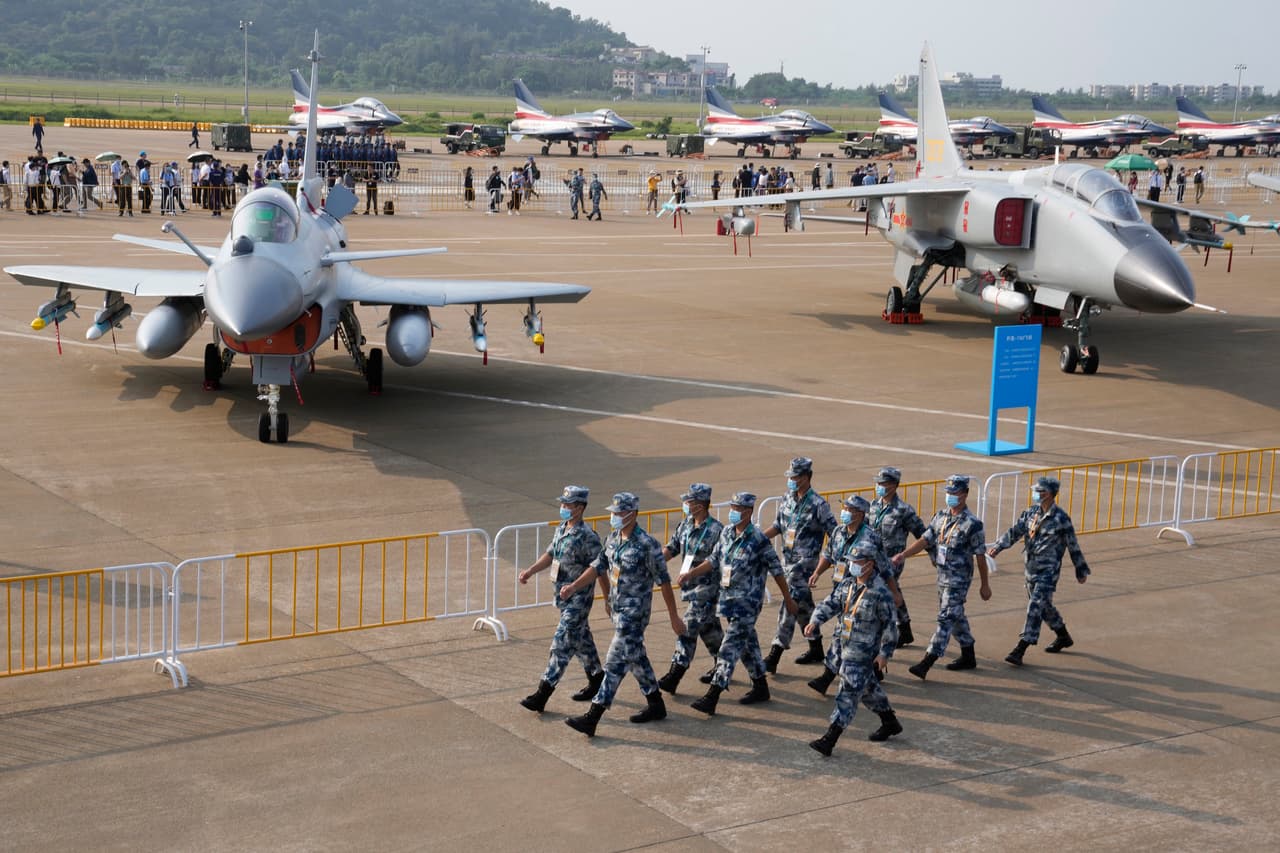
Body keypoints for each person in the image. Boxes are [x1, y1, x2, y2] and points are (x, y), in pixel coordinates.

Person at [563, 493, 686, 737]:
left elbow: (664, 582)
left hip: (635, 615)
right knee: (636, 658)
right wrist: (574, 586)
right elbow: (597, 567)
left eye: (619, 513)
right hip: (618, 611)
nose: (614, 517)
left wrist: (673, 617)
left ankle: (593, 716)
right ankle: (655, 704)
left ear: (632, 514)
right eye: (614, 512)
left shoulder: (647, 545)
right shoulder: (613, 539)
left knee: (614, 663)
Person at [684, 492, 797, 716]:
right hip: (728, 600)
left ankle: (713, 695)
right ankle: (760, 686)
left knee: (729, 647)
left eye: (737, 509)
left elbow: (777, 570)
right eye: (732, 507)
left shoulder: (758, 540)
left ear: (748, 512)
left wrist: (788, 598)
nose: (733, 511)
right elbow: (714, 560)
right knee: (747, 644)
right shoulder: (726, 533)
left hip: (748, 603)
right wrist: (691, 574)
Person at [804, 541, 902, 755]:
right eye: (851, 562)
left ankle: (829, 739)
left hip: (863, 654)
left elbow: (890, 626)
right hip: (844, 648)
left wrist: (885, 653)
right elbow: (830, 604)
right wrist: (815, 621)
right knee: (867, 689)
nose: (853, 566)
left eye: (857, 562)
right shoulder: (847, 585)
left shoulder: (880, 593)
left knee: (847, 693)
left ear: (869, 564)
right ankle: (890, 721)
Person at [516, 485, 607, 714]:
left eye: (568, 505)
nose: (563, 508)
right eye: (562, 504)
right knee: (582, 640)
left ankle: (542, 693)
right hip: (563, 598)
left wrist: (605, 598)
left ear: (580, 508)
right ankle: (597, 679)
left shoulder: (588, 537)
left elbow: (599, 568)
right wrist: (530, 571)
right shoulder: (562, 528)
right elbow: (550, 554)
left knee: (561, 644)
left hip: (578, 599)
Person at [893, 474, 991, 679]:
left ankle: (927, 661)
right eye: (948, 492)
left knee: (945, 618)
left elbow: (980, 556)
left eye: (954, 493)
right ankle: (968, 654)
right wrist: (903, 555)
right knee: (955, 617)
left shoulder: (972, 524)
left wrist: (985, 585)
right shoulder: (941, 517)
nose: (950, 496)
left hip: (959, 580)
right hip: (942, 577)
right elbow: (924, 540)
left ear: (964, 494)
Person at [987, 476, 1090, 666]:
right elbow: (1015, 531)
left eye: (1039, 491)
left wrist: (1080, 569)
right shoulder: (1031, 513)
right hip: (1030, 569)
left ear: (1049, 494)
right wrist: (998, 547)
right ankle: (1063, 636)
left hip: (1048, 571)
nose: (1035, 493)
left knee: (1034, 607)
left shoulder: (1060, 519)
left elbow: (1072, 544)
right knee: (1044, 608)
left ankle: (1021, 647)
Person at [761, 457, 837, 674]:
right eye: (790, 477)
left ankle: (775, 652)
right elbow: (778, 526)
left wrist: (824, 562)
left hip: (805, 565)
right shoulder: (787, 498)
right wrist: (758, 539)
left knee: (790, 603)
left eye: (796, 477)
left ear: (807, 478)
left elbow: (835, 534)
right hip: (788, 563)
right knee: (803, 607)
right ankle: (816, 648)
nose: (792, 480)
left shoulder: (818, 505)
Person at [656, 484, 724, 695]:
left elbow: (717, 560)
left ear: (701, 505)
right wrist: (655, 561)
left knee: (689, 627)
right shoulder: (685, 524)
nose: (686, 505)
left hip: (706, 589)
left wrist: (693, 574)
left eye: (690, 502)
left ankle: (675, 674)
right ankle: (723, 664)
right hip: (689, 587)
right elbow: (673, 547)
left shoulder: (717, 531)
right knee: (710, 630)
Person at [868, 467, 926, 646]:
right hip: (875, 559)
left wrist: (905, 554)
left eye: (883, 483)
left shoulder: (903, 510)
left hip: (893, 560)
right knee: (893, 591)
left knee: (882, 591)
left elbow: (923, 535)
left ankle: (885, 631)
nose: (879, 486)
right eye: (878, 482)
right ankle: (905, 630)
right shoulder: (874, 505)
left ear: (894, 485)